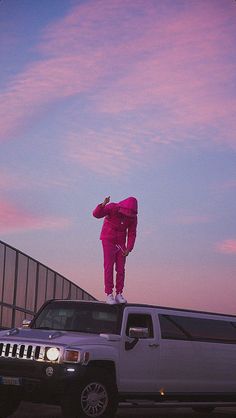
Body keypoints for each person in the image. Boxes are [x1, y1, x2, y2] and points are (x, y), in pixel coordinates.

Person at [93, 196, 138, 304]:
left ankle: (119, 293)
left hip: (121, 242)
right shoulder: (112, 207)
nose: (127, 216)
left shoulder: (133, 217)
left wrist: (129, 248)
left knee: (121, 268)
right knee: (109, 266)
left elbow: (132, 233)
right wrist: (103, 204)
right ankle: (109, 294)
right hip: (108, 239)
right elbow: (96, 214)